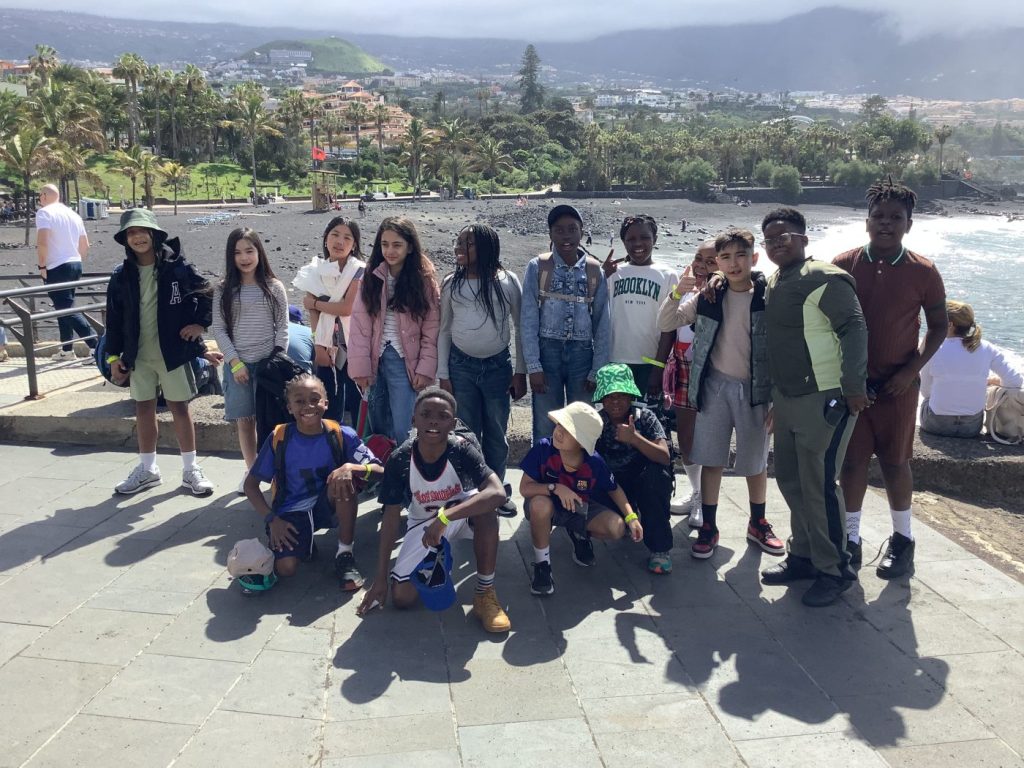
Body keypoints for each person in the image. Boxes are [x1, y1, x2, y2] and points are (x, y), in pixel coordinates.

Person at [833, 180, 947, 579]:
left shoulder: (923, 271)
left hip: (898, 387)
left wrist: (911, 370)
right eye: (878, 216)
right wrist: (845, 378)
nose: (886, 223)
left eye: (896, 217)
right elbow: (826, 321)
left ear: (908, 225)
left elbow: (938, 326)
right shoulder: (844, 264)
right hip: (853, 387)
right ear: (866, 222)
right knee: (852, 463)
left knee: (896, 464)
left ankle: (902, 540)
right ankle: (850, 538)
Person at [757, 207, 869, 607]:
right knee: (790, 480)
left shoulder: (824, 278)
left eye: (784, 236)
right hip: (788, 399)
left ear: (804, 239)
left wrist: (854, 387)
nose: (776, 244)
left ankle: (835, 570)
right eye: (769, 239)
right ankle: (804, 555)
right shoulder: (776, 280)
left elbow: (854, 328)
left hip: (825, 398)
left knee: (819, 486)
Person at [657, 228, 783, 561]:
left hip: (755, 390)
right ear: (718, 263)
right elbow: (667, 322)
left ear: (754, 257)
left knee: (755, 462)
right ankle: (709, 527)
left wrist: (779, 399)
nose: (733, 263)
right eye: (725, 257)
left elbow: (784, 347)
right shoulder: (708, 296)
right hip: (713, 387)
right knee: (711, 459)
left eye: (741, 255)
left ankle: (758, 523)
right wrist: (677, 292)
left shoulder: (768, 296)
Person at [356, 387, 511, 633]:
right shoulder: (400, 458)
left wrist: (445, 517)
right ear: (413, 419)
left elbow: (498, 493)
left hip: (458, 515)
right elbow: (391, 519)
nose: (433, 421)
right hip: (423, 523)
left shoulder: (461, 449)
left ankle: (485, 592)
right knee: (402, 598)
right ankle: (439, 558)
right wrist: (380, 578)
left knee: (487, 509)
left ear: (453, 423)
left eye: (443, 416)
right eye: (426, 414)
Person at [104, 209, 215, 496]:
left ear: (154, 234)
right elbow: (113, 319)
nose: (137, 237)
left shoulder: (177, 267)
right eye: (131, 232)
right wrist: (113, 357)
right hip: (138, 356)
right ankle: (148, 469)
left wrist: (199, 325)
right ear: (125, 239)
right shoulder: (120, 276)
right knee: (143, 408)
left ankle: (190, 469)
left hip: (173, 353)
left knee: (180, 408)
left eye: (142, 231)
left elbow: (207, 291)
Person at [243, 373, 382, 590]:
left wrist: (351, 467)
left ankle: (345, 554)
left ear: (326, 403)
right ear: (289, 407)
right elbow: (250, 486)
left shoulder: (340, 434)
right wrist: (272, 519)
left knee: (343, 481)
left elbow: (380, 470)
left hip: (327, 503)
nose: (308, 406)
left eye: (315, 399)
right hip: (290, 512)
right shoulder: (280, 437)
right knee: (286, 568)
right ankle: (305, 544)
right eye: (299, 401)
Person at [437, 224, 527, 516]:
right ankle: (471, 492)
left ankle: (496, 491)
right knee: (466, 433)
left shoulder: (507, 281)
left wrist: (521, 371)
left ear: (487, 247)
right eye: (458, 241)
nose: (459, 247)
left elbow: (520, 327)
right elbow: (444, 330)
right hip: (460, 367)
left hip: (498, 368)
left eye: (469, 243)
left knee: (496, 432)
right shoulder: (451, 283)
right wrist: (443, 374)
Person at [519, 401, 643, 595]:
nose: (559, 432)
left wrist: (631, 517)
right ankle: (542, 565)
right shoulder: (543, 448)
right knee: (539, 505)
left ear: (582, 442)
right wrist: (555, 488)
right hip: (546, 504)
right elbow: (524, 488)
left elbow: (614, 489)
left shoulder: (594, 462)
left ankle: (579, 534)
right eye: (559, 425)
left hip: (579, 507)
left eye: (567, 430)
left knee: (616, 527)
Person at [520, 204, 610, 443]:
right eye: (559, 230)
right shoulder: (538, 267)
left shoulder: (594, 271)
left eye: (572, 229)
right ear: (550, 234)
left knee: (583, 422)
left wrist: (596, 370)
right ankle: (545, 465)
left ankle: (580, 467)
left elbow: (603, 322)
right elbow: (528, 319)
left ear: (582, 232)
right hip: (547, 353)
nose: (566, 236)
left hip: (583, 356)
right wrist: (534, 366)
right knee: (546, 422)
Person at [349, 217, 440, 444]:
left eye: (397, 245)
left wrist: (425, 368)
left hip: (403, 361)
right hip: (374, 360)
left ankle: (405, 466)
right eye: (385, 244)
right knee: (378, 426)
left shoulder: (424, 280)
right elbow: (360, 326)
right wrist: (360, 368)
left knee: (404, 428)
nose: (390, 251)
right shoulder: (371, 276)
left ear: (410, 247)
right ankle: (382, 467)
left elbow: (431, 328)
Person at [212, 227, 289, 491]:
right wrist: (234, 362)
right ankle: (252, 471)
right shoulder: (223, 289)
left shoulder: (274, 286)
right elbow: (219, 329)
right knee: (245, 421)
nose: (244, 258)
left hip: (268, 363)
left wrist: (276, 359)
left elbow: (283, 327)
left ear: (259, 252)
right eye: (237, 253)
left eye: (249, 251)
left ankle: (277, 473)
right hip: (238, 365)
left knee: (272, 422)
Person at [592, 364, 674, 574]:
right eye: (610, 396)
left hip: (642, 481)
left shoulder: (644, 417)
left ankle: (660, 548)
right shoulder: (596, 422)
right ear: (602, 399)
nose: (615, 401)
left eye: (621, 395)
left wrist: (635, 438)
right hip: (611, 484)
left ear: (630, 396)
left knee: (658, 476)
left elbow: (664, 456)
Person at [294, 216, 365, 424]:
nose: (340, 242)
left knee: (357, 399)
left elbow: (346, 308)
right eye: (335, 235)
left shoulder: (359, 270)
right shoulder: (314, 271)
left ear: (354, 245)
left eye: (347, 238)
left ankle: (357, 440)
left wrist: (315, 303)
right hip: (326, 345)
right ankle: (332, 439)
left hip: (355, 344)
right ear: (326, 239)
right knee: (330, 401)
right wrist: (318, 345)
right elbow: (313, 314)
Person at [667, 241, 718, 526]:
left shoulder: (726, 291)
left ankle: (707, 501)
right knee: (686, 438)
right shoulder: (684, 287)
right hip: (684, 368)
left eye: (711, 261)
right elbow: (667, 326)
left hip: (714, 370)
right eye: (698, 258)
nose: (701, 265)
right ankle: (697, 492)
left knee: (709, 439)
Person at [919, 300, 1024, 438]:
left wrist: (925, 342)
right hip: (971, 428)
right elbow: (1016, 381)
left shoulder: (935, 347)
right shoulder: (987, 347)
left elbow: (926, 392)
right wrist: (988, 382)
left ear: (950, 324)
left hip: (936, 425)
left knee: (929, 398)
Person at [602, 214, 677, 398]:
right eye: (631, 239)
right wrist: (602, 275)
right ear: (623, 241)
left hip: (651, 363)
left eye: (645, 237)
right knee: (616, 413)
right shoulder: (613, 273)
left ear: (655, 239)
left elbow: (670, 326)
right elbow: (597, 311)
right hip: (615, 360)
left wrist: (659, 367)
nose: (638, 244)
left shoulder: (668, 275)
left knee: (647, 414)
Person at [36, 184, 95, 361]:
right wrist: (77, 260)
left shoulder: (44, 213)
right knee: (63, 309)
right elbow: (85, 245)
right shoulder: (73, 214)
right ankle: (67, 349)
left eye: (40, 195)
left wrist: (42, 266)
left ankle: (97, 346)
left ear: (44, 196)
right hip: (75, 263)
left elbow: (43, 242)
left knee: (66, 309)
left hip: (57, 266)